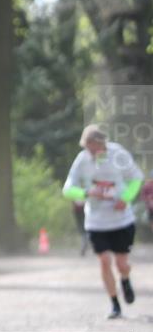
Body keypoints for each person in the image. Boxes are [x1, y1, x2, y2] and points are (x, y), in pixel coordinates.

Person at [63, 125, 143, 319]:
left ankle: (125, 279)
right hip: (96, 221)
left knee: (122, 263)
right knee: (104, 261)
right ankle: (115, 304)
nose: (92, 152)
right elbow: (67, 189)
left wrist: (126, 198)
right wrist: (85, 192)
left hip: (121, 220)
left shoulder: (119, 155)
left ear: (102, 143)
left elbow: (136, 178)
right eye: (88, 149)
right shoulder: (82, 160)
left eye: (95, 148)